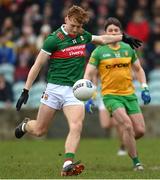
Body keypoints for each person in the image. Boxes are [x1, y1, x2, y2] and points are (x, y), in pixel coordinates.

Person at [14, 5, 142, 176]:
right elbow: (37, 65)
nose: (75, 30)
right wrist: (26, 90)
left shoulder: (83, 34)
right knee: (39, 130)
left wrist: (123, 37)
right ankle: (25, 125)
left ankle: (67, 163)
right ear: (66, 19)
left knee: (76, 125)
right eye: (73, 25)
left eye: (78, 26)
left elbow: (102, 40)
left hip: (74, 91)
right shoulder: (54, 39)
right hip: (53, 89)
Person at [84, 17, 151, 171]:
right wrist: (88, 96)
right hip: (110, 96)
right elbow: (88, 74)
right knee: (127, 125)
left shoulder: (128, 48)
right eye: (110, 31)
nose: (113, 33)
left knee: (140, 130)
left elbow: (139, 69)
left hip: (130, 94)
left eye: (116, 30)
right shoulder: (99, 51)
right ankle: (136, 163)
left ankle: (127, 143)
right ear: (105, 33)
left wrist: (145, 87)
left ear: (120, 32)